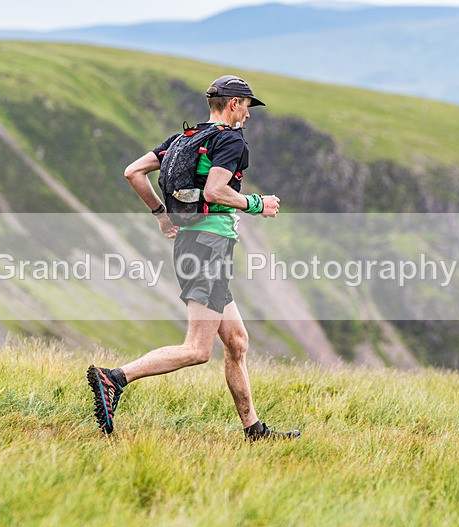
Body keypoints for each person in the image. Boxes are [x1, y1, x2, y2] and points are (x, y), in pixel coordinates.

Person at [87, 75, 300, 441]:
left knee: (236, 341)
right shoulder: (231, 140)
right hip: (209, 248)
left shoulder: (184, 139)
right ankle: (116, 378)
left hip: (192, 244)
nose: (249, 114)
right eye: (248, 106)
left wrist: (160, 213)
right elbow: (217, 191)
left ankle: (255, 430)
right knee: (198, 349)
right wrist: (256, 204)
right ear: (234, 104)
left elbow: (133, 172)